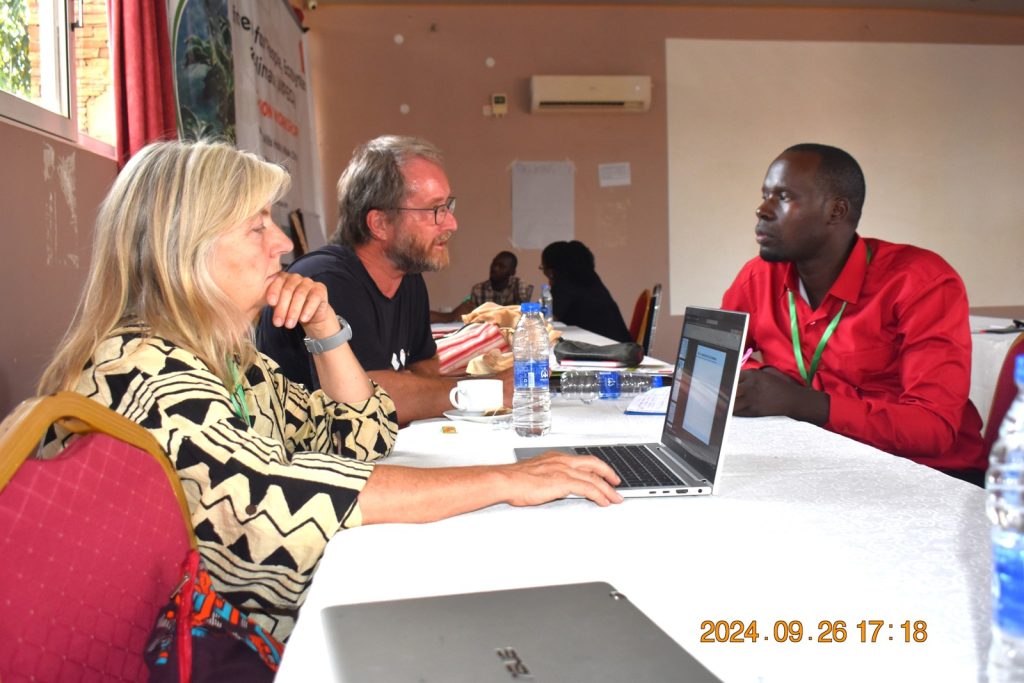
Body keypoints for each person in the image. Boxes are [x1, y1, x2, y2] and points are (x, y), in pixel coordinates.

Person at [36, 140, 622, 641]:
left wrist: (326, 331)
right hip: (207, 646)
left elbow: (358, 435)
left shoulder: (227, 362)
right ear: (182, 250)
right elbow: (277, 502)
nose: (283, 245)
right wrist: (506, 480)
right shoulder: (141, 371)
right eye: (256, 226)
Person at [721, 142, 985, 485]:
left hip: (930, 475)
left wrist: (804, 402)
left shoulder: (921, 283)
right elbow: (719, 364)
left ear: (836, 211)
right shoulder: (758, 277)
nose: (762, 210)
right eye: (765, 195)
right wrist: (763, 377)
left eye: (783, 197)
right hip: (820, 456)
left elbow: (933, 429)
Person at [257, 135, 511, 423]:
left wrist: (408, 390)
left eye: (448, 206)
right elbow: (369, 404)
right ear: (379, 224)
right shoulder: (326, 280)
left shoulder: (408, 278)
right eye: (435, 210)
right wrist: (493, 391)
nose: (451, 223)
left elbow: (425, 367)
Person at [540, 240, 632, 343]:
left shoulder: (565, 284)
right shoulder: (589, 278)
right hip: (619, 344)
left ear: (551, 271)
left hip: (607, 349)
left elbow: (545, 319)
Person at [430, 250, 534, 323]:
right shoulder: (478, 289)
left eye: (501, 266)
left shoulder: (517, 284)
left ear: (512, 272)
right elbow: (474, 318)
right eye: (494, 264)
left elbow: (525, 312)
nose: (495, 269)